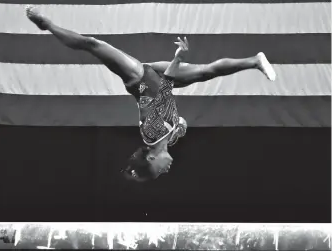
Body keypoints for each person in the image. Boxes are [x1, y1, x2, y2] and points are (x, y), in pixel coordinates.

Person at [25, 5, 276, 182]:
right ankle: (254, 60)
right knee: (205, 72)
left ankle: (46, 24)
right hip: (157, 80)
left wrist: (178, 58)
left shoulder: (153, 132)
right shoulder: (169, 140)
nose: (165, 171)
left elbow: (166, 88)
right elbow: (175, 116)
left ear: (151, 158)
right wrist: (179, 126)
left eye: (157, 170)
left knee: (93, 45)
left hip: (140, 78)